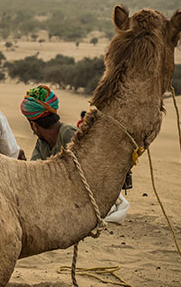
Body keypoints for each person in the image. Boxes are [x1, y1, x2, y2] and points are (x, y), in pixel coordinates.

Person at [20, 85, 129, 224]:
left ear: (34, 125)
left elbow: (88, 171)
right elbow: (35, 170)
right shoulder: (42, 143)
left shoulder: (68, 133)